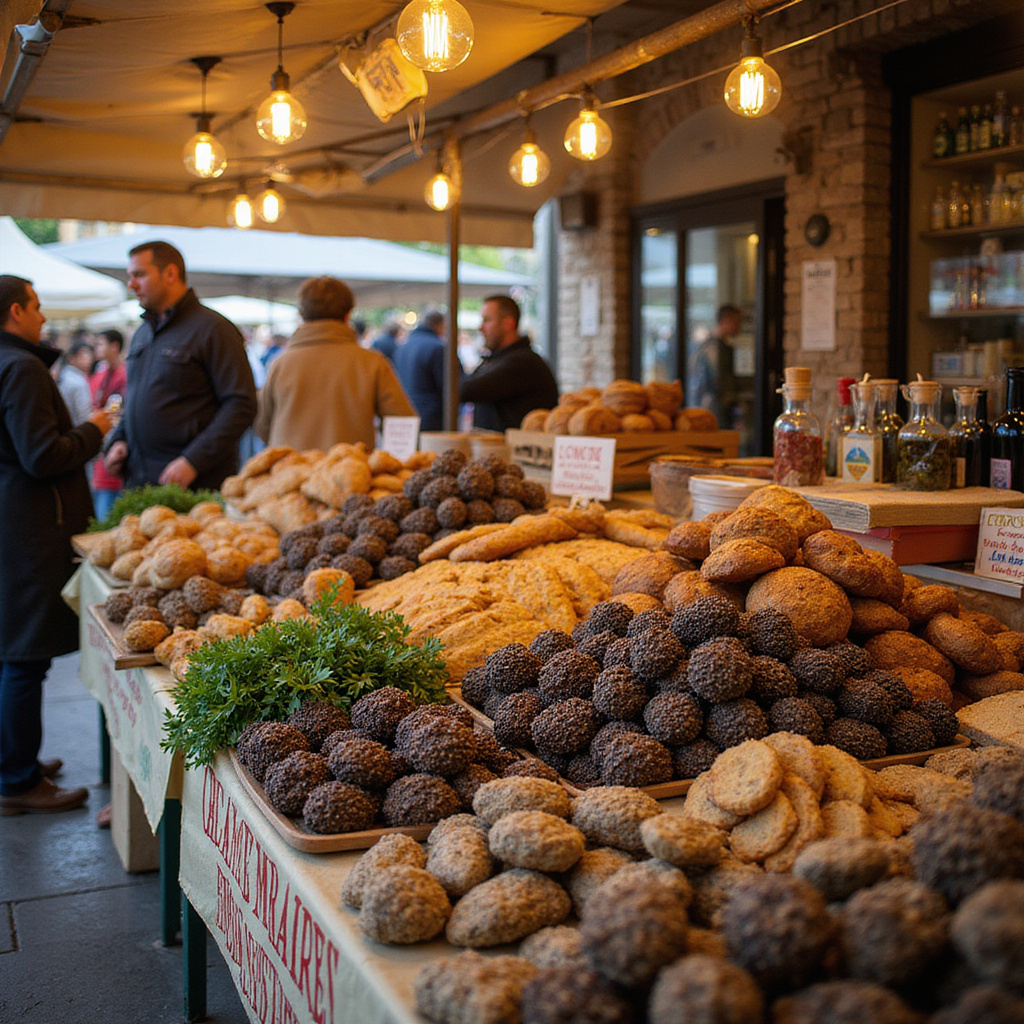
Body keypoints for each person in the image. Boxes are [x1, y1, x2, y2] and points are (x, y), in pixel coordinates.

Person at [0, 275, 112, 815]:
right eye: (37, 308)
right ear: (16, 311)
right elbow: (41, 456)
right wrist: (93, 430)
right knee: (23, 657)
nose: (43, 318)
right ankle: (18, 781)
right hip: (26, 529)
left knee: (10, 654)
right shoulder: (20, 367)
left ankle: (12, 759)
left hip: (13, 523)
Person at [103, 241, 256, 490]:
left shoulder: (214, 329)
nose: (131, 285)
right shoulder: (142, 333)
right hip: (139, 482)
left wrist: (193, 461)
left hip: (193, 486)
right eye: (130, 277)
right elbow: (134, 398)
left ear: (171, 274)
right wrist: (119, 441)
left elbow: (241, 404)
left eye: (139, 275)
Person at [254, 276, 415, 450]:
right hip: (351, 472)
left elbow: (262, 427)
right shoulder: (372, 363)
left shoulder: (280, 364)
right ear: (348, 315)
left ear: (302, 315)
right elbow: (403, 427)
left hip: (291, 472)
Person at [459, 294, 558, 431]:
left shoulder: (523, 362)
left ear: (508, 323)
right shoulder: (498, 359)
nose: (480, 327)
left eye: (487, 320)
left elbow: (466, 390)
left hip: (515, 449)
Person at [89, 329, 127, 519]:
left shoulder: (124, 375)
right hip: (101, 451)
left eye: (100, 344)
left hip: (115, 449)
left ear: (114, 347)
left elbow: (117, 413)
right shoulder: (101, 375)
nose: (96, 348)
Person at [393, 309, 450, 432]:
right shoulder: (437, 348)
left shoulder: (403, 346)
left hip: (407, 416)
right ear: (439, 325)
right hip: (431, 419)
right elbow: (449, 388)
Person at [688, 304, 743, 430]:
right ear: (726, 321)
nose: (739, 327)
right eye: (737, 322)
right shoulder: (715, 348)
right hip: (714, 408)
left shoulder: (715, 346)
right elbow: (718, 380)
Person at [57, 339, 95, 426]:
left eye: (89, 354)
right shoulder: (78, 382)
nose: (88, 359)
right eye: (84, 355)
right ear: (72, 358)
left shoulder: (64, 375)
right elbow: (84, 416)